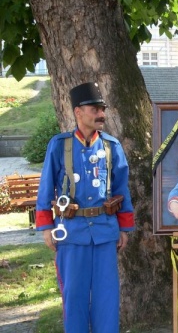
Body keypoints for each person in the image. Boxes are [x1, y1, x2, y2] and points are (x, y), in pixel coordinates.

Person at [35, 82, 135, 333]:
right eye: (94, 109)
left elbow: (122, 189)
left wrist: (123, 228)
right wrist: (47, 226)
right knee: (74, 296)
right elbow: (46, 187)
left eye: (102, 108)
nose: (101, 114)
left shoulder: (112, 146)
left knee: (106, 296)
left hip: (104, 230)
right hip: (71, 231)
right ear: (78, 112)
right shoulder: (59, 145)